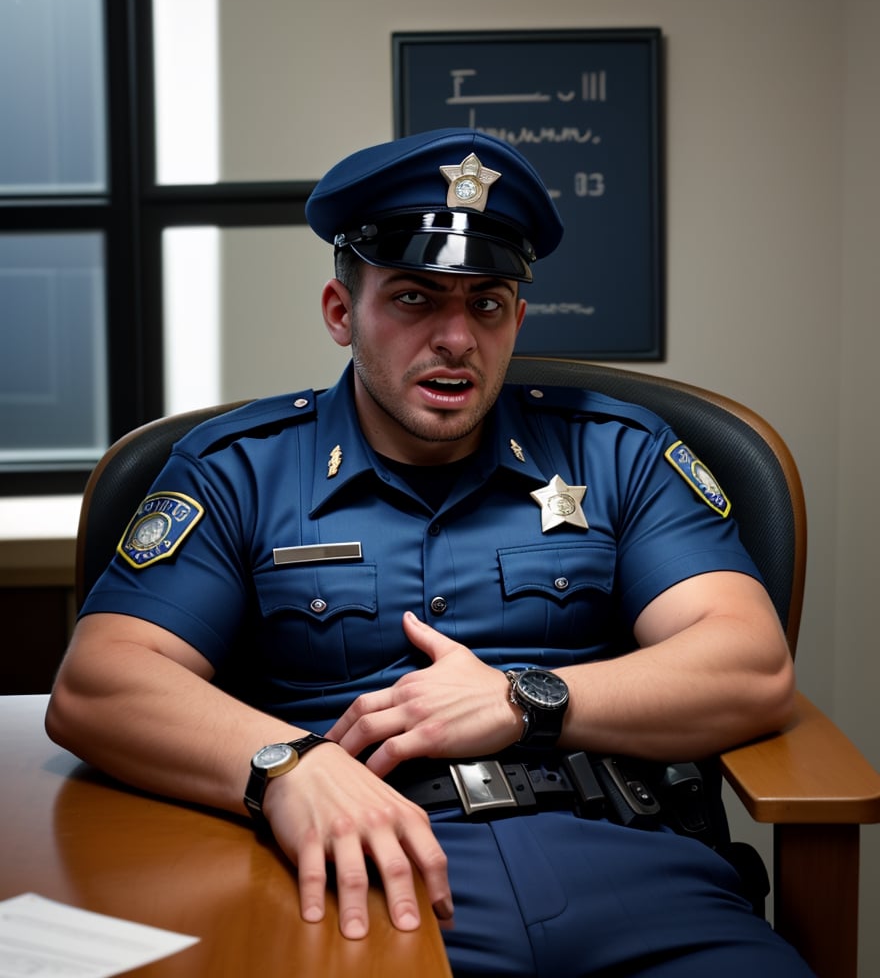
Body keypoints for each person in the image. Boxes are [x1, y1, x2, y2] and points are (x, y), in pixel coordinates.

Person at [46, 128, 814, 976]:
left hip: (635, 869)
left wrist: (527, 699)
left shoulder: (617, 452)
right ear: (344, 314)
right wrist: (286, 766)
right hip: (358, 881)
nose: (456, 337)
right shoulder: (242, 471)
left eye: (486, 303)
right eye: (415, 298)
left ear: (517, 319)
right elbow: (99, 684)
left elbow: (749, 665)